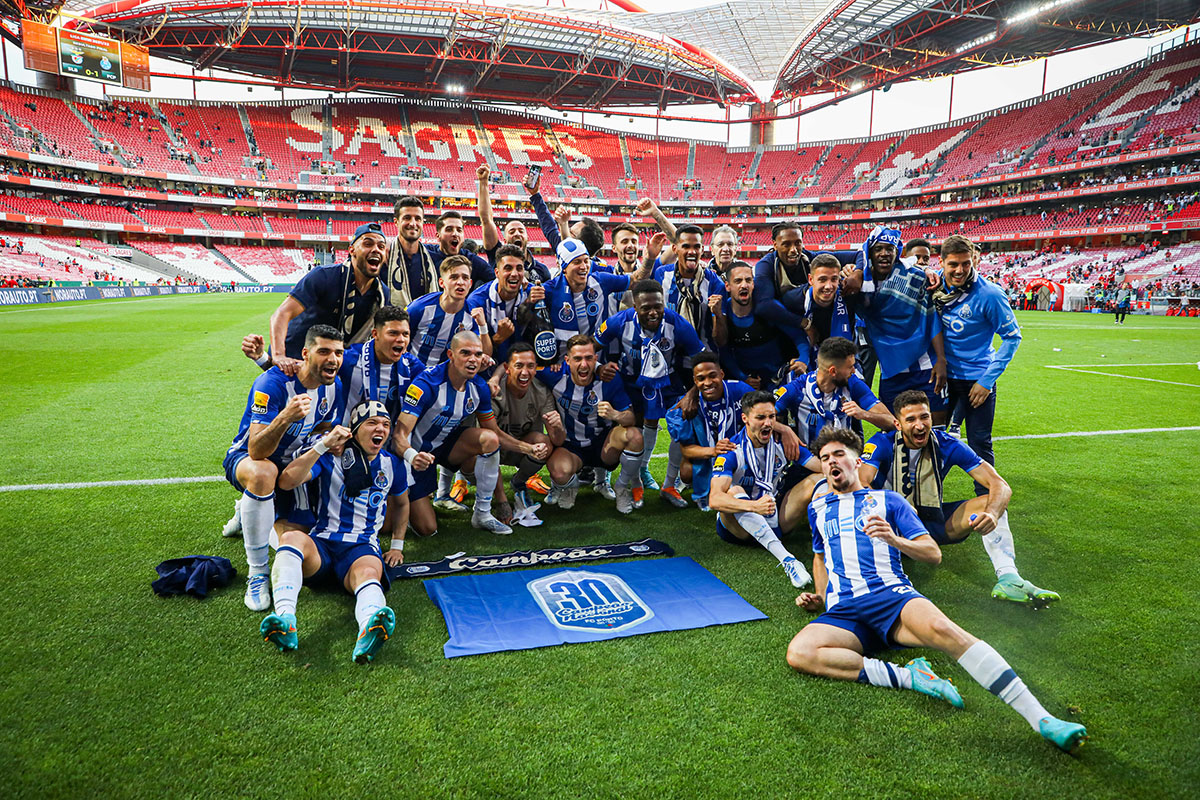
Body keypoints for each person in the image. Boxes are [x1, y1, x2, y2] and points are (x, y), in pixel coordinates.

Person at [787, 427, 1087, 754]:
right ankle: (910, 676)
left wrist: (894, 539)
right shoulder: (818, 509)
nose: (832, 461)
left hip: (891, 599)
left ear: (856, 461)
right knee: (800, 653)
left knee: (949, 633)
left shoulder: (888, 501)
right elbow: (820, 556)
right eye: (825, 457)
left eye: (839, 454)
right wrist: (823, 597)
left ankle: (1042, 719)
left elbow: (933, 554)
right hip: (844, 612)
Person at [859, 390, 1059, 605]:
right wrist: (895, 514)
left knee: (990, 503)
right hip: (890, 525)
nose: (920, 425)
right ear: (897, 424)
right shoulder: (881, 443)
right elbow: (862, 485)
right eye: (911, 419)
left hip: (931, 521)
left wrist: (991, 514)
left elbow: (999, 485)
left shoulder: (946, 444)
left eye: (924, 417)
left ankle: (1009, 577)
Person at [259, 401, 408, 664]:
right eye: (372, 423)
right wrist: (322, 445)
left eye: (385, 424)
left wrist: (397, 545)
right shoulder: (331, 456)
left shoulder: (392, 464)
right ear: (355, 428)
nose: (381, 429)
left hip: (361, 547)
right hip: (323, 544)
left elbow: (403, 502)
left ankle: (369, 626)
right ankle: (285, 618)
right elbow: (286, 481)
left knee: (369, 572)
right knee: (291, 538)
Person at [222, 324, 344, 611]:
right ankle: (258, 572)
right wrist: (285, 417)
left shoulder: (332, 387)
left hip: (289, 465)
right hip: (249, 459)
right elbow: (256, 449)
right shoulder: (271, 385)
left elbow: (323, 425)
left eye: (338, 353)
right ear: (305, 353)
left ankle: (248, 509)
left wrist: (328, 441)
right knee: (264, 473)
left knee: (300, 531)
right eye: (324, 351)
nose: (333, 359)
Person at [392, 331, 512, 535]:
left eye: (477, 354)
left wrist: (527, 449)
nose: (472, 359)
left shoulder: (478, 386)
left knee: (489, 439)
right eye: (465, 353)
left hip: (446, 447)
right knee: (427, 529)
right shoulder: (426, 384)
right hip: (417, 455)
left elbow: (494, 433)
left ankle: (482, 514)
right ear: (450, 355)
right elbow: (398, 436)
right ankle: (408, 499)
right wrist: (413, 456)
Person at [597, 278, 704, 507]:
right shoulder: (619, 322)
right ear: (635, 307)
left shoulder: (677, 324)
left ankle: (669, 485)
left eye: (658, 306)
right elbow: (592, 345)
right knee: (633, 429)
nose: (653, 312)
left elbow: (702, 359)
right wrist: (598, 367)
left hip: (667, 382)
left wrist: (692, 392)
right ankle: (636, 484)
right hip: (632, 382)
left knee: (681, 423)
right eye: (646, 308)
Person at [932, 235, 1021, 494]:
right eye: (953, 264)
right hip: (942, 378)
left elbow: (1012, 337)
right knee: (932, 440)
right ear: (943, 262)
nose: (959, 270)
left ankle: (987, 499)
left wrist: (987, 380)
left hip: (976, 380)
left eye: (966, 264)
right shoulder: (933, 285)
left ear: (974, 261)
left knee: (979, 443)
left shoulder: (990, 294)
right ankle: (926, 497)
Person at [708, 391, 821, 589]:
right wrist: (753, 506)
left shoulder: (784, 443)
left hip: (773, 515)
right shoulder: (732, 451)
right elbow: (714, 500)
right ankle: (789, 561)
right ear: (745, 419)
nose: (768, 423)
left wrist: (848, 465)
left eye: (771, 417)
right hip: (738, 530)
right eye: (760, 418)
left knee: (820, 480)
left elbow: (822, 468)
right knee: (733, 490)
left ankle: (830, 546)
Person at [538, 334, 644, 513]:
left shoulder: (609, 378)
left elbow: (630, 418)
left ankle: (621, 487)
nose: (584, 364)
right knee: (558, 472)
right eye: (577, 359)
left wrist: (615, 414)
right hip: (571, 445)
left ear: (596, 359)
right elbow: (524, 368)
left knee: (635, 436)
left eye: (589, 358)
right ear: (567, 360)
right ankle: (569, 487)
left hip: (604, 444)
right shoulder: (554, 375)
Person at [852, 228, 948, 421]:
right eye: (878, 248)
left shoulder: (916, 278)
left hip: (925, 366)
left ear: (897, 252)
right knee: (894, 430)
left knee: (935, 430)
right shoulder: (860, 282)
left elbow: (931, 319)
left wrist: (941, 359)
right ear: (869, 252)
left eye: (890, 248)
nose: (884, 254)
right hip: (891, 369)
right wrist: (854, 271)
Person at [267, 223, 388, 370]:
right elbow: (282, 313)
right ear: (352, 250)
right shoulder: (324, 276)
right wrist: (279, 356)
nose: (375, 249)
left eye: (381, 247)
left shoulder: (381, 294)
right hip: (293, 360)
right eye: (368, 244)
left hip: (330, 366)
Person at [774, 337, 895, 449]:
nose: (854, 371)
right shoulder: (797, 389)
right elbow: (758, 415)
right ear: (833, 371)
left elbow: (893, 422)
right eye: (850, 367)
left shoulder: (853, 384)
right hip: (807, 464)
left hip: (845, 462)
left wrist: (864, 414)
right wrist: (784, 429)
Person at [666, 353, 752, 510]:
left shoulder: (740, 390)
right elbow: (686, 450)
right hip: (709, 454)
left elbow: (765, 411)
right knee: (686, 472)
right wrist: (714, 450)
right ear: (694, 381)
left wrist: (783, 429)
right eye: (701, 378)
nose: (707, 383)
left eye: (713, 376)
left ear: (722, 374)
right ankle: (702, 482)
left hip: (740, 450)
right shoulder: (688, 406)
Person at [489, 342, 564, 524]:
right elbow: (490, 432)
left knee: (545, 443)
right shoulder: (495, 391)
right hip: (493, 449)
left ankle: (519, 481)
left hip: (520, 449)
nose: (525, 372)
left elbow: (557, 440)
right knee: (486, 442)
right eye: (519, 366)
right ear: (507, 368)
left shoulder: (541, 391)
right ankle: (494, 498)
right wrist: (527, 448)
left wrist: (558, 427)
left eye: (530, 366)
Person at [714, 261, 803, 389]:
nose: (744, 285)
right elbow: (724, 351)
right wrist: (742, 377)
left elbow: (798, 336)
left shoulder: (769, 309)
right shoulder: (724, 313)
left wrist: (803, 360)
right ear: (727, 286)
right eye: (738, 281)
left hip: (777, 380)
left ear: (753, 284)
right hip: (745, 383)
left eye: (748, 280)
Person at [752, 220, 854, 330]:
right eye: (786, 244)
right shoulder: (766, 265)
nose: (793, 250)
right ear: (775, 245)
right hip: (784, 324)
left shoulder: (809, 257)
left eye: (797, 243)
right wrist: (803, 323)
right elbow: (763, 305)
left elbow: (858, 255)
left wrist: (856, 273)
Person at [541, 238, 632, 357]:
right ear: (564, 267)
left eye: (586, 260)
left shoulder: (600, 281)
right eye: (577, 262)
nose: (584, 266)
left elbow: (635, 280)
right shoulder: (549, 290)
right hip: (563, 364)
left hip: (599, 361)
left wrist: (650, 259)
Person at [647, 224, 726, 351]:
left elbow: (721, 340)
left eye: (697, 247)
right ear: (675, 249)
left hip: (702, 359)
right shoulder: (661, 274)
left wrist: (718, 315)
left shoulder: (714, 283)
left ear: (702, 249)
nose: (692, 251)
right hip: (668, 359)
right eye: (685, 246)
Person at [407, 255, 490, 369]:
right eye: (454, 277)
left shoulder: (472, 315)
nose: (460, 282)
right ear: (442, 283)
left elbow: (485, 354)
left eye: (465, 278)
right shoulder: (420, 307)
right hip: (413, 371)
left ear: (470, 284)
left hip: (446, 377)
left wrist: (483, 326)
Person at [476, 166, 552, 283]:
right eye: (512, 232)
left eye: (521, 231)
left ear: (528, 238)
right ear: (505, 241)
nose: (517, 234)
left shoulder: (542, 271)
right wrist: (483, 182)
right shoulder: (498, 256)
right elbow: (486, 220)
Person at [467, 244, 533, 366]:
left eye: (519, 268)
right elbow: (477, 355)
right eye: (508, 268)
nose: (514, 273)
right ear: (497, 272)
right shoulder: (477, 302)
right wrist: (498, 338)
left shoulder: (532, 294)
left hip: (524, 367)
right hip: (488, 369)